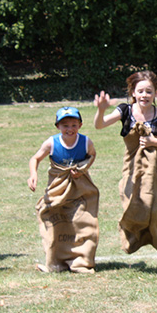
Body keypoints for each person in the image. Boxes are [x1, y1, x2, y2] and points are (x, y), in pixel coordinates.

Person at [94, 70, 157, 254]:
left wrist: (155, 141)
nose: (145, 95)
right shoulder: (125, 110)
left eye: (149, 91)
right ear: (133, 93)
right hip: (131, 168)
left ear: (156, 94)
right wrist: (101, 109)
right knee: (131, 206)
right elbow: (100, 125)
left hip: (155, 170)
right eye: (141, 91)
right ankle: (132, 240)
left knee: (152, 209)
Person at [28, 107, 99, 273]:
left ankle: (82, 262)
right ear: (58, 127)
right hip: (57, 188)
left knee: (83, 222)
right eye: (65, 125)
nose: (70, 129)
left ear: (80, 125)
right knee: (54, 220)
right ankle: (55, 263)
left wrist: (82, 168)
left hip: (80, 188)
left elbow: (92, 155)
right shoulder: (52, 143)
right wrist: (33, 174)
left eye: (74, 124)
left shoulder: (85, 142)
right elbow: (36, 158)